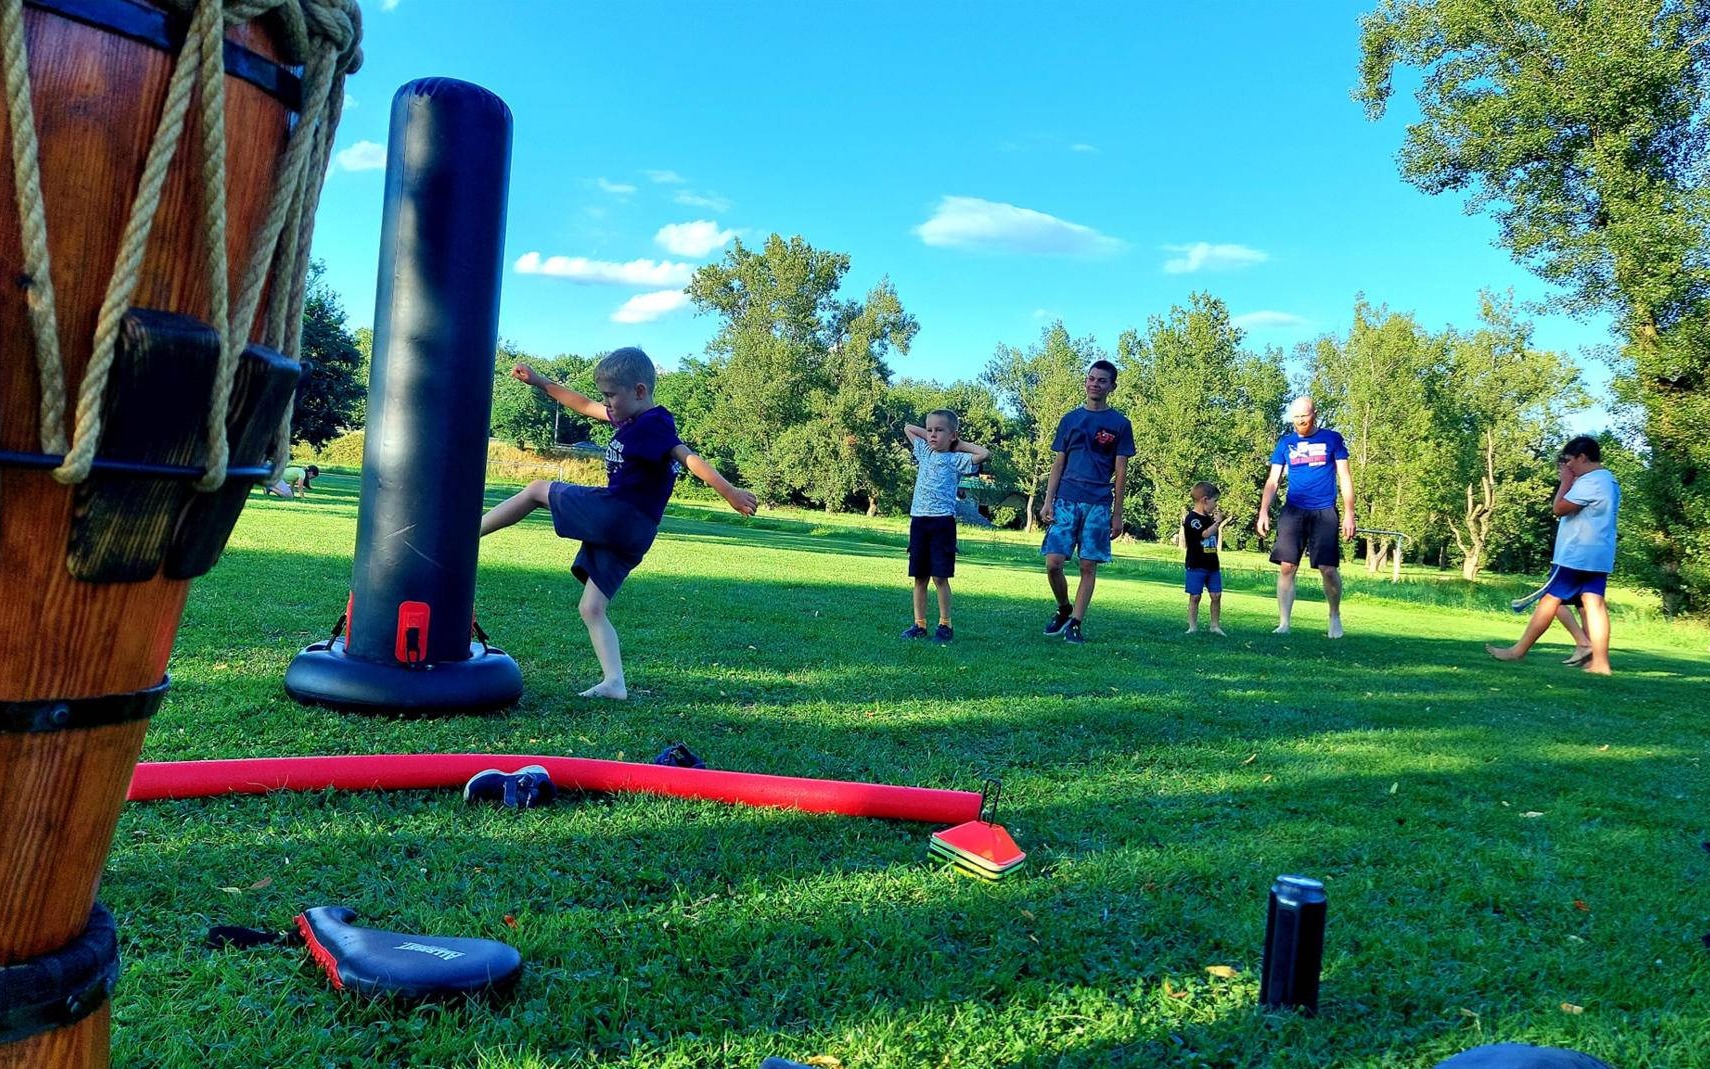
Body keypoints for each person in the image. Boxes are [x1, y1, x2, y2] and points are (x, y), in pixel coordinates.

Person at [478, 348, 757, 699]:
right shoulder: (628, 419)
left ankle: (469, 535)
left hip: (619, 513)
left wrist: (729, 492)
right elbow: (581, 404)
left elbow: (689, 458)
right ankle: (615, 683)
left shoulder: (654, 423)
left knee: (536, 490)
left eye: (611, 395)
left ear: (639, 391)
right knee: (591, 607)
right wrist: (539, 381)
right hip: (635, 533)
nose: (605, 403)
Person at [1487, 435, 1620, 674]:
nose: (1567, 466)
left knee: (1549, 599)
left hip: (1576, 554)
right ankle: (1599, 662)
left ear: (1582, 457)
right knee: (1593, 604)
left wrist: (1565, 482)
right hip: (1599, 555)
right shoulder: (1609, 480)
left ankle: (1518, 652)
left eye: (1569, 461)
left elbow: (1559, 509)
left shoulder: (1588, 481)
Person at [1039, 360, 1135, 644]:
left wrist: (1117, 514)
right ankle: (1064, 608)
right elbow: (1058, 463)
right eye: (1091, 379)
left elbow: (1120, 471)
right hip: (1067, 499)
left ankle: (1076, 624)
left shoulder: (1120, 424)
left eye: (1102, 381)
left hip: (1098, 503)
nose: (1095, 384)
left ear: (1112, 387)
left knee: (1087, 566)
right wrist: (1048, 501)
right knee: (1053, 563)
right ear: (1086, 382)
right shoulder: (1070, 419)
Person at [1256, 396, 1355, 637]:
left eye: (1305, 416)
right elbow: (1273, 480)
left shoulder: (1332, 439)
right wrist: (1263, 511)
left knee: (1327, 568)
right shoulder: (1286, 443)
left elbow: (1344, 477)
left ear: (1314, 414)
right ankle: (1284, 623)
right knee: (1287, 566)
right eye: (1296, 417)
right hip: (1294, 511)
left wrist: (1350, 513)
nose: (1300, 421)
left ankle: (1334, 615)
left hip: (1323, 511)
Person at [900, 410, 990, 643]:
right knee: (920, 577)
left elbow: (983, 453)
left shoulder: (955, 459)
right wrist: (931, 434)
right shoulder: (924, 452)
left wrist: (956, 443)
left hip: (942, 523)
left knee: (940, 577)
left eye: (939, 431)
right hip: (919, 520)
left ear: (952, 435)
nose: (932, 435)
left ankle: (944, 624)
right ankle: (919, 625)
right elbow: (908, 428)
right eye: (930, 430)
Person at [1182, 481, 1226, 635]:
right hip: (1196, 564)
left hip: (1212, 565)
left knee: (1216, 595)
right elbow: (1205, 534)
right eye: (1215, 501)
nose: (1216, 505)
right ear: (1205, 500)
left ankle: (1215, 626)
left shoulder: (1209, 519)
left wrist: (1215, 522)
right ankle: (1192, 626)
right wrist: (1218, 522)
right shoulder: (1192, 519)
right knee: (1195, 596)